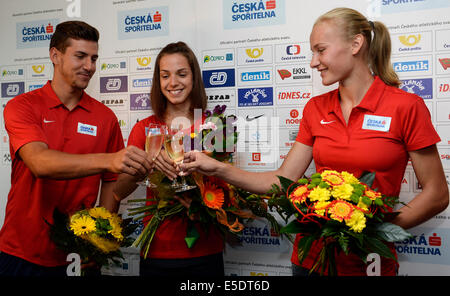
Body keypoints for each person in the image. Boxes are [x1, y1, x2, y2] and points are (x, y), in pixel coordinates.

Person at [180, 7, 449, 276]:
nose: (313, 62)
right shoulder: (315, 108)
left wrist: (375, 229)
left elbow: (437, 194)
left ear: (356, 44)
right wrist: (218, 168)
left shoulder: (406, 106)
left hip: (370, 263)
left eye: (321, 50)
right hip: (311, 261)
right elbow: (282, 179)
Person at [0, 21, 152, 276]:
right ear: (55, 55)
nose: (89, 66)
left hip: (78, 256)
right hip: (20, 251)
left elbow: (111, 184)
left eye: (93, 58)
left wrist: (98, 242)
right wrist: (108, 160)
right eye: (80, 56)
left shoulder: (105, 117)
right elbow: (40, 163)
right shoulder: (22, 106)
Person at [109, 41, 225, 276]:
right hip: (158, 252)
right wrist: (147, 163)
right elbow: (118, 191)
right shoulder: (144, 129)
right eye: (165, 76)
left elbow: (229, 192)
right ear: (158, 81)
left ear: (194, 78)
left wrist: (199, 197)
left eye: (182, 74)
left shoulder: (215, 125)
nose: (173, 83)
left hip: (206, 250)